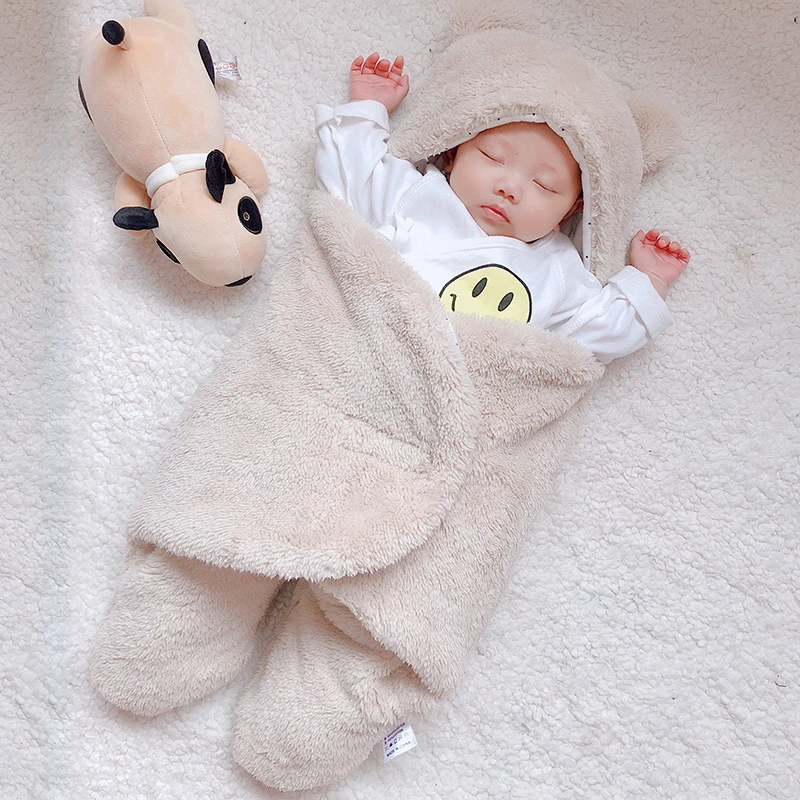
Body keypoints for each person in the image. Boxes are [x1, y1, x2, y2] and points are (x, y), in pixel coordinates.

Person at [315, 53, 690, 363]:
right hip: (365, 346)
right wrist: (368, 107)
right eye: (493, 156)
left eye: (544, 185)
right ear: (453, 153)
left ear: (571, 212)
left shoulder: (556, 270)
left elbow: (598, 329)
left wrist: (649, 280)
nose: (509, 188)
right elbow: (351, 173)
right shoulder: (416, 194)